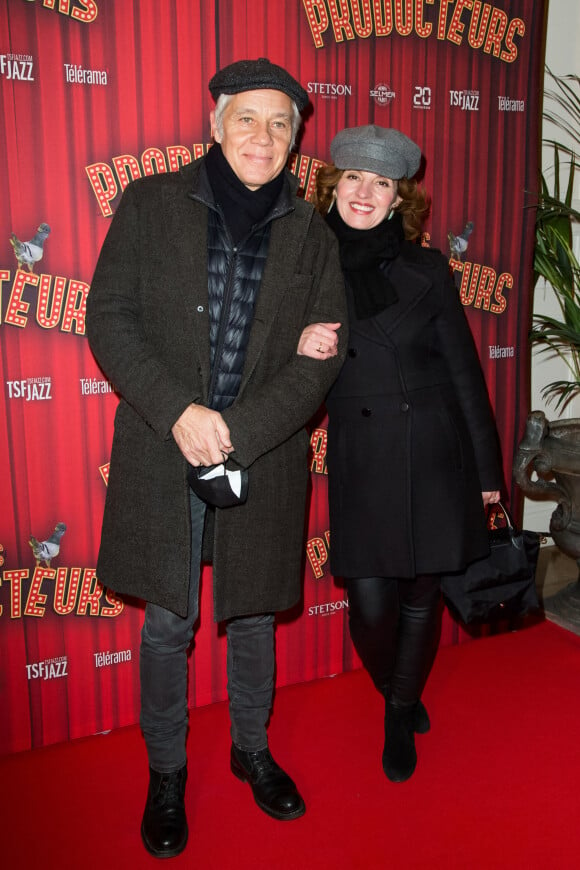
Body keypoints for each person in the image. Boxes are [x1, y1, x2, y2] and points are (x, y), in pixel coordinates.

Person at [86, 57, 347, 859]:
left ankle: (250, 749)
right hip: (165, 458)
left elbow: (322, 358)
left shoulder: (311, 233)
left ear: (297, 138)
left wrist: (237, 429)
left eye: (281, 124)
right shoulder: (151, 202)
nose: (262, 137)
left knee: (254, 614)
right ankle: (167, 774)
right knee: (168, 623)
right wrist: (179, 413)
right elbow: (109, 318)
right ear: (215, 124)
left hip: (261, 459)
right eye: (247, 118)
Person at [298, 125, 502, 783]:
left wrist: (489, 476)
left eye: (381, 183)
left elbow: (466, 376)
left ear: (397, 199)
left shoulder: (427, 270)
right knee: (371, 607)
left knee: (422, 594)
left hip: (434, 453)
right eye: (354, 178)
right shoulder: (304, 269)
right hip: (363, 459)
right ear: (334, 187)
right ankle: (396, 686)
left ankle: (399, 708)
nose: (365, 192)